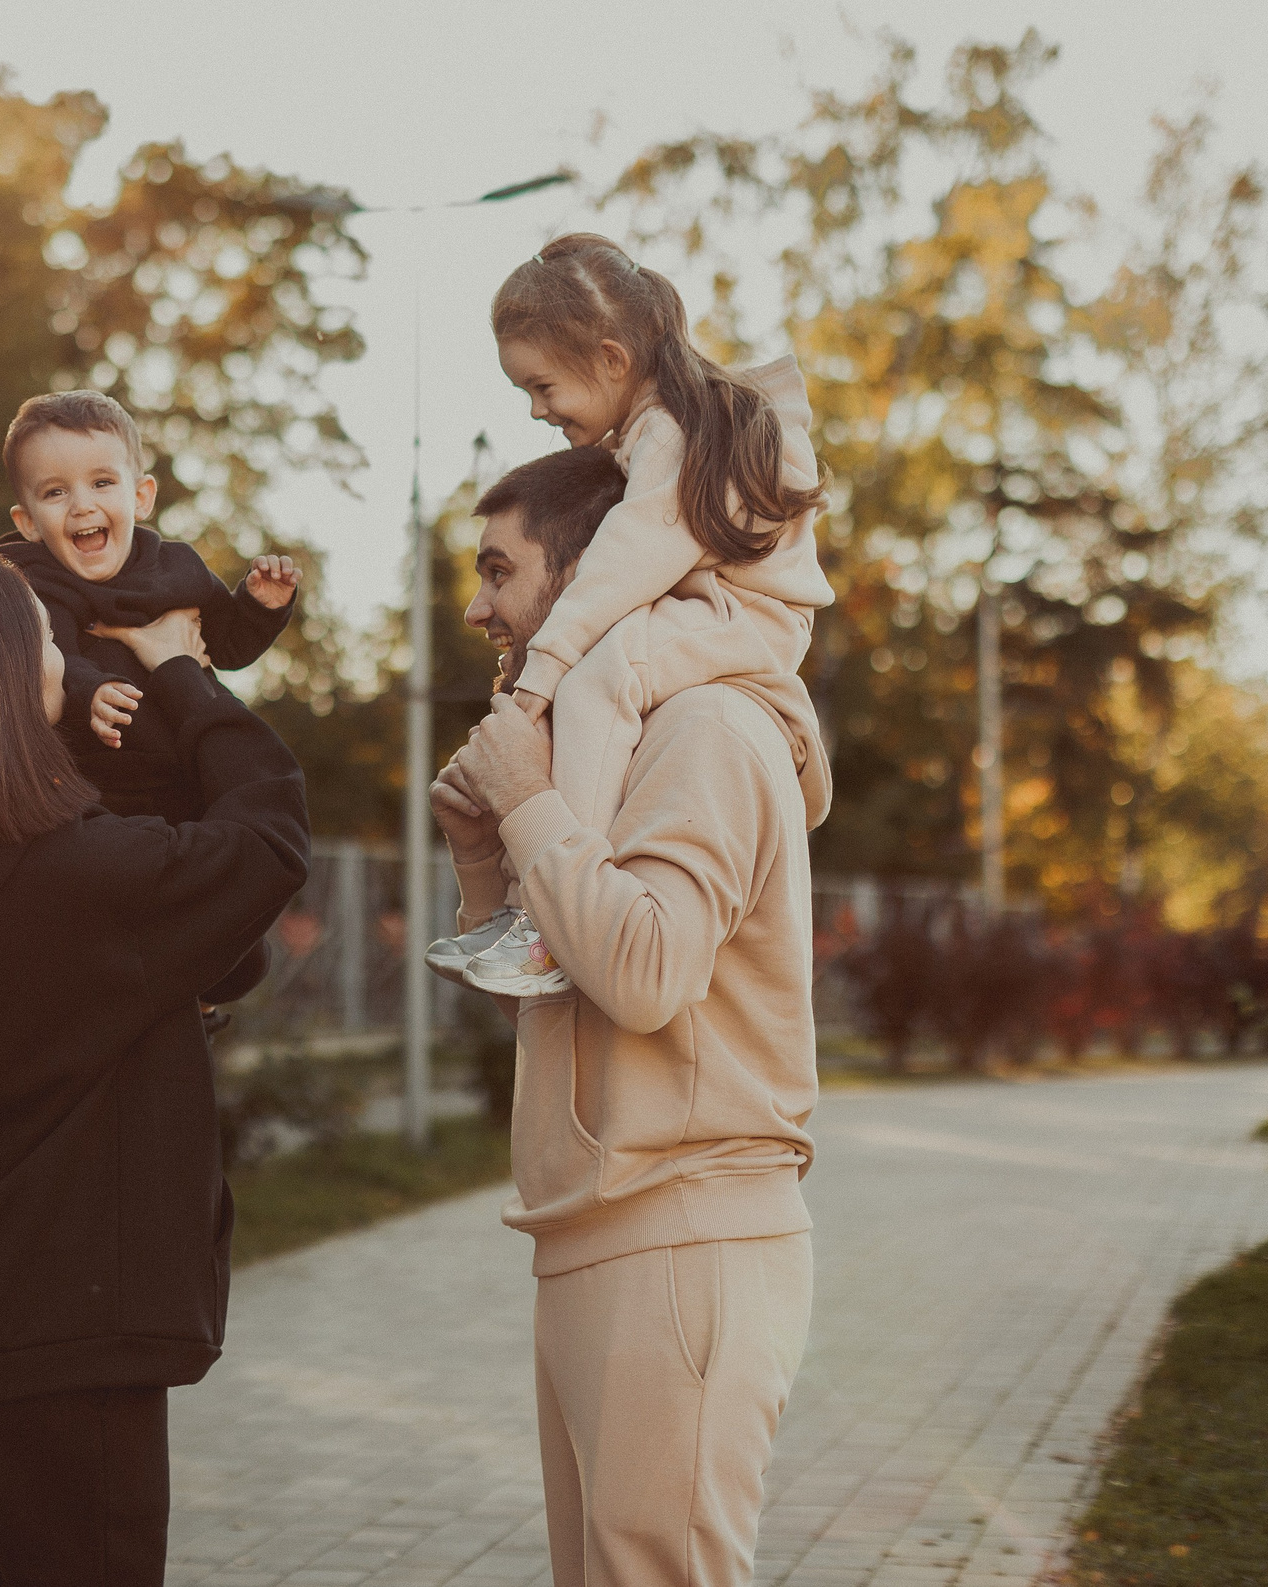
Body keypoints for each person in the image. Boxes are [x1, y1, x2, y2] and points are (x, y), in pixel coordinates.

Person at [0, 542, 307, 1587]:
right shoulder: (66, 877)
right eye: (42, 634)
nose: (62, 647)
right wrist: (183, 672)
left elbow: (210, 942)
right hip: (63, 1325)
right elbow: (267, 836)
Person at [439, 446, 834, 1586]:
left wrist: (526, 804)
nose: (478, 605)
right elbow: (566, 981)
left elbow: (649, 969)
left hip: (681, 1239)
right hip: (590, 1233)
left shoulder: (702, 729)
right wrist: (486, 853)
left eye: (497, 571)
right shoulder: (607, 750)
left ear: (588, 573)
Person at [424, 234, 830, 999]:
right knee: (596, 676)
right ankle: (535, 913)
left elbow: (616, 570)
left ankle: (543, 925)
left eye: (543, 387)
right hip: (732, 614)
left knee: (595, 679)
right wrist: (487, 855)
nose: (539, 410)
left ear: (612, 359)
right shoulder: (671, 428)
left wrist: (539, 686)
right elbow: (544, 1040)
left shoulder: (671, 436)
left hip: (744, 619)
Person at [0, 388, 302, 1006]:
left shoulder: (177, 569)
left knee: (237, 954)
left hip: (182, 781)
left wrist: (261, 606)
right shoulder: (33, 585)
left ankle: (199, 997)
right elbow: (41, 658)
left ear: (140, 495)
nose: (83, 505)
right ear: (27, 521)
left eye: (102, 482)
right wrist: (85, 692)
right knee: (112, 909)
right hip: (95, 786)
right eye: (55, 492)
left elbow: (226, 646)